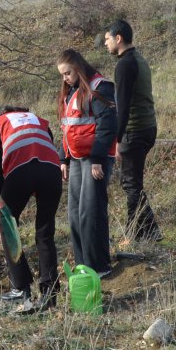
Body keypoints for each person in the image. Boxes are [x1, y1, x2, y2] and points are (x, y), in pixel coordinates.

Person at [0, 105, 63, 313]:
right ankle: (49, 292)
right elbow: (46, 146)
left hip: (21, 170)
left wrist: (0, 212)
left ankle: (21, 287)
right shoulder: (39, 120)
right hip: (52, 171)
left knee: (8, 227)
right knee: (45, 232)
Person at [57, 49, 117, 277]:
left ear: (79, 68)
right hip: (75, 159)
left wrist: (97, 159)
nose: (65, 78)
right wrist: (63, 158)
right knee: (75, 213)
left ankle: (99, 266)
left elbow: (107, 126)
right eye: (62, 75)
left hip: (94, 160)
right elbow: (68, 128)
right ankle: (83, 266)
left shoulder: (101, 87)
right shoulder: (71, 92)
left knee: (91, 212)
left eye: (68, 73)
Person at [103, 20, 161, 244]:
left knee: (131, 185)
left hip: (134, 131)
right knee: (133, 183)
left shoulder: (124, 65)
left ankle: (134, 234)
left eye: (107, 39)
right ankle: (149, 231)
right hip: (147, 127)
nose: (106, 43)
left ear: (118, 38)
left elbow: (123, 105)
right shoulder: (138, 58)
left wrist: (117, 139)